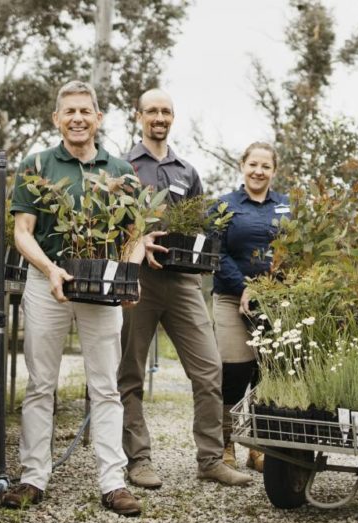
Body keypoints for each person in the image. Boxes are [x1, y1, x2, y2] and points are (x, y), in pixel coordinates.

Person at [3, 80, 150, 516]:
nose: (78, 118)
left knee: (105, 386)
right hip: (47, 286)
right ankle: (33, 477)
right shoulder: (37, 165)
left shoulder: (121, 170)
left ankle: (113, 482)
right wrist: (50, 269)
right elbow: (22, 231)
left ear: (98, 118)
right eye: (69, 112)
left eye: (85, 111)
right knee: (40, 384)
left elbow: (136, 233)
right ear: (56, 119)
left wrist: (130, 274)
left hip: (101, 288)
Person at [118, 88, 252, 488]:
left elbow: (199, 226)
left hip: (182, 281)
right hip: (138, 279)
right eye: (152, 111)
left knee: (210, 369)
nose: (159, 117)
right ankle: (138, 460)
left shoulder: (186, 171)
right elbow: (109, 221)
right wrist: (136, 242)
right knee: (130, 374)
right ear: (138, 116)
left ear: (172, 118)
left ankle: (210, 459)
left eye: (166, 112)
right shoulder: (122, 166)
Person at [212, 142, 290, 472]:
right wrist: (244, 287)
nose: (258, 171)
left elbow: (292, 252)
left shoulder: (286, 207)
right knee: (234, 371)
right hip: (231, 297)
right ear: (242, 165)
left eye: (265, 166)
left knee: (265, 373)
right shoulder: (224, 205)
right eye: (252, 164)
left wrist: (269, 290)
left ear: (274, 171)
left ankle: (257, 447)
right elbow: (217, 254)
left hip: (273, 301)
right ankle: (225, 445)